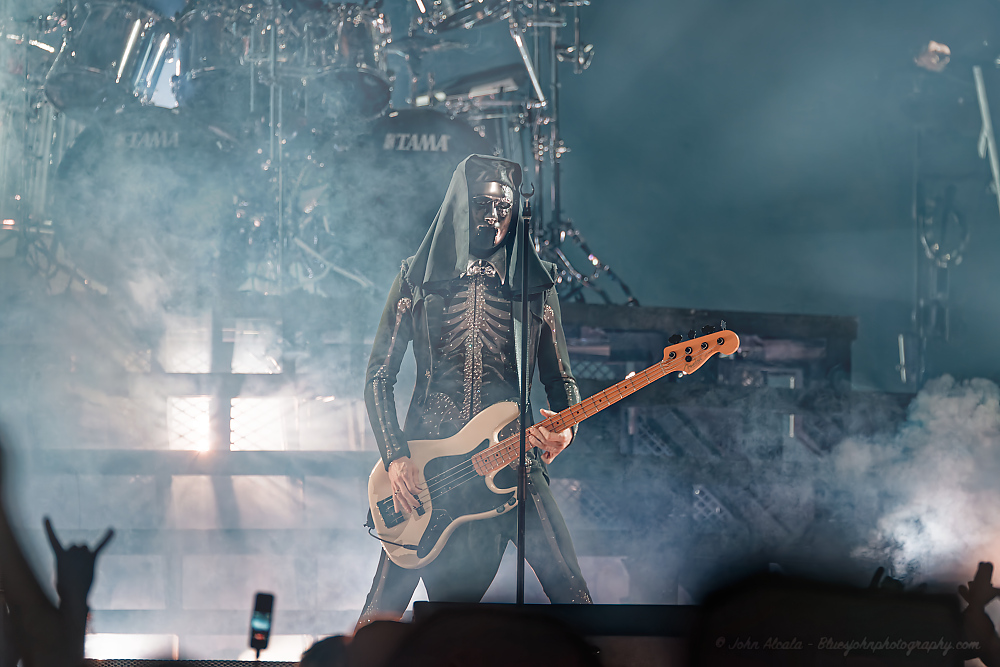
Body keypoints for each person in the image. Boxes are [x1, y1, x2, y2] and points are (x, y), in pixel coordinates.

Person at [357, 154, 592, 625]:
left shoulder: (535, 285)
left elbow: (559, 377)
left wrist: (569, 428)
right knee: (378, 618)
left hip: (513, 459)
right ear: (460, 207)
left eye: (503, 208)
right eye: (483, 205)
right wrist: (395, 455)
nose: (493, 217)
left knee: (573, 594)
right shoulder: (415, 275)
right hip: (425, 470)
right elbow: (379, 375)